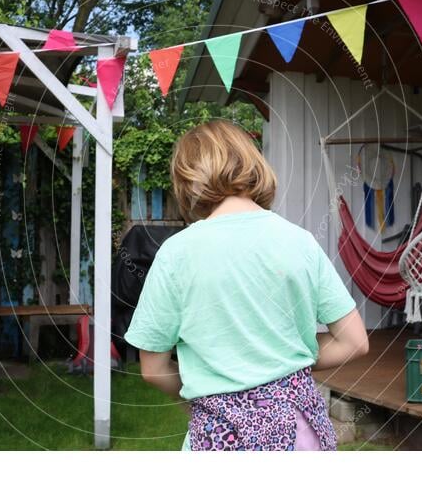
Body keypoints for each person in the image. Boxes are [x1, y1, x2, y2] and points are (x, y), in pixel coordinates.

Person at [124, 119, 369, 451]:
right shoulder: (300, 242)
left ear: (188, 179)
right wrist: (281, 365)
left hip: (220, 436)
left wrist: (208, 387)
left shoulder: (175, 255)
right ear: (254, 165)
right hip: (299, 435)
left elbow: (153, 368)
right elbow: (354, 341)